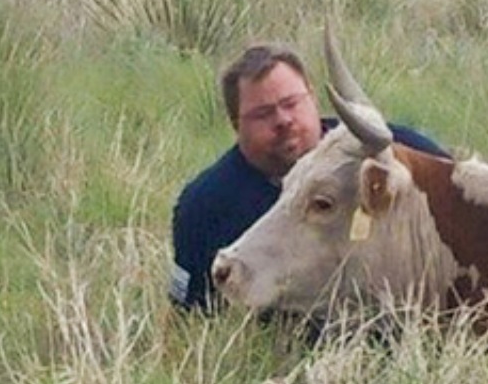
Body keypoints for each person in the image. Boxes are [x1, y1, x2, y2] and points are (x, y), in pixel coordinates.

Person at [170, 42, 447, 310]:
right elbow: (191, 319)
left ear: (313, 98)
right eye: (263, 114)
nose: (283, 120)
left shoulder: (396, 155)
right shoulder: (203, 206)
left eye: (291, 103)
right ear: (235, 125)